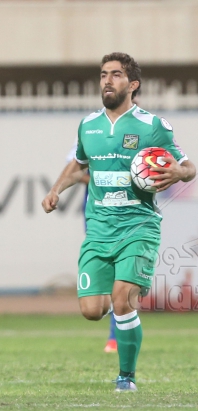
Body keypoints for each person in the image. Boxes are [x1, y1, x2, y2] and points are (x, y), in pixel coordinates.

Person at [42, 52, 196, 391]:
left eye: (115, 74)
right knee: (92, 310)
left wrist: (178, 172)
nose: (107, 81)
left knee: (122, 298)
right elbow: (78, 164)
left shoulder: (152, 126)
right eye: (103, 75)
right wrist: (56, 190)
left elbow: (189, 167)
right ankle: (121, 323)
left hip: (138, 226)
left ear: (133, 84)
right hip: (99, 229)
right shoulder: (88, 125)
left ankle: (126, 377)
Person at [65, 140, 118, 353]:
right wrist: (106, 181)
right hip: (98, 215)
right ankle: (116, 331)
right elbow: (74, 170)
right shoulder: (91, 131)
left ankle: (116, 335)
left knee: (122, 276)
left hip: (130, 213)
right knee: (106, 277)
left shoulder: (141, 130)